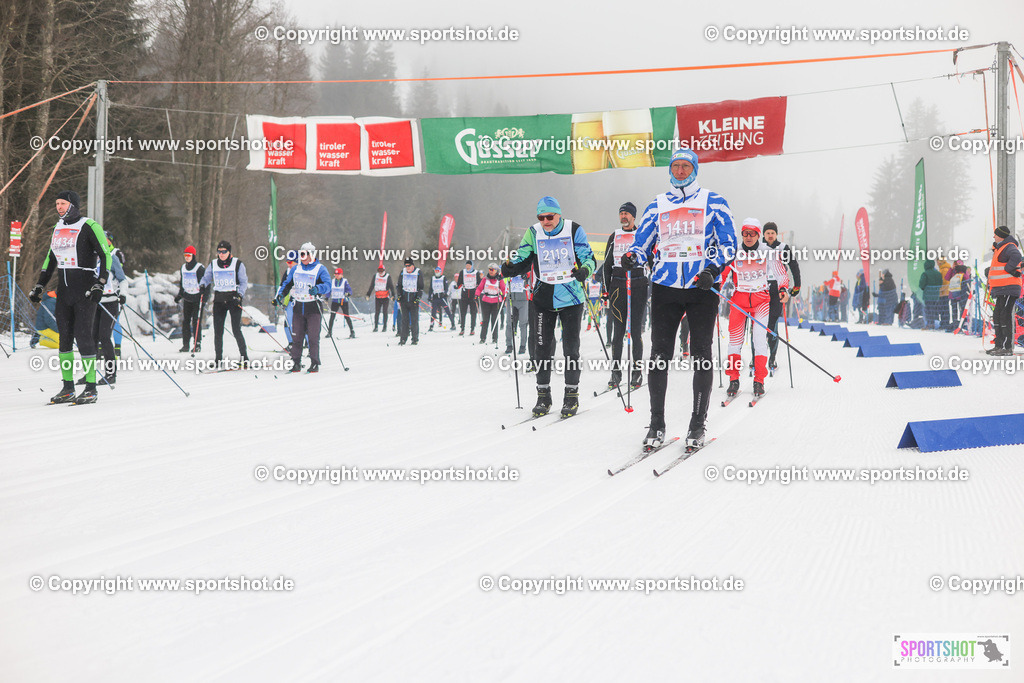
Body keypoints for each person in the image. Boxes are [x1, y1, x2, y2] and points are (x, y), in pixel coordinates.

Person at [620, 148, 736, 450]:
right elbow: (641, 243)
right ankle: (656, 423)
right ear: (670, 170)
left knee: (701, 353)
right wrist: (633, 257)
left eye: (686, 166)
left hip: (701, 287)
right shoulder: (657, 205)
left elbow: (729, 243)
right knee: (660, 355)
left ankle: (697, 423)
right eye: (676, 166)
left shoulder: (714, 201)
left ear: (695, 170)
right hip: (665, 286)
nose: (681, 171)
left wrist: (712, 269)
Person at [501, 196, 596, 418]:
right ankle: (543, 396)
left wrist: (585, 270)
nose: (545, 221)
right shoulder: (533, 232)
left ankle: (571, 396)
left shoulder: (574, 229)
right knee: (541, 348)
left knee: (571, 349)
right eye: (541, 217)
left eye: (549, 216)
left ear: (558, 214)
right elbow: (523, 257)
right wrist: (510, 268)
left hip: (571, 298)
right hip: (543, 299)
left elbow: (589, 258)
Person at [28, 190, 113, 404]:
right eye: (57, 203)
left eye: (63, 204)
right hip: (64, 292)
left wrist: (100, 283)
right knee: (64, 339)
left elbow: (105, 255)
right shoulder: (57, 228)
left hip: (84, 290)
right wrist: (40, 285)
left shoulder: (89, 226)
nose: (59, 207)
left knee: (83, 337)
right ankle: (68, 388)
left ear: (73, 205)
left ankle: (91, 388)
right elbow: (51, 259)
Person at [722, 219, 788, 399]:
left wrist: (783, 289)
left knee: (759, 340)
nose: (748, 237)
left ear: (758, 235)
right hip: (739, 301)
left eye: (752, 233)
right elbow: (723, 273)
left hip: (761, 302)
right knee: (735, 341)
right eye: (745, 233)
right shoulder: (734, 252)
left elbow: (781, 274)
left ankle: (759, 380)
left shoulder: (768, 252)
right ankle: (733, 379)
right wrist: (714, 285)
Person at [602, 200, 648, 390]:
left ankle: (637, 371)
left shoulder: (641, 235)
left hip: (638, 285)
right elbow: (606, 265)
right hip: (618, 286)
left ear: (633, 216)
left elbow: (651, 258)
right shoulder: (614, 236)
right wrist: (605, 290)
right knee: (618, 332)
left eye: (626, 214)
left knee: (635, 331)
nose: (623, 216)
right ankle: (616, 372)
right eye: (621, 213)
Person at [273, 242, 331, 372]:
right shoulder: (296, 269)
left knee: (313, 337)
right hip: (298, 306)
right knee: (297, 337)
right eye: (301, 254)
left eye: (304, 254)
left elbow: (328, 285)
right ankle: (296, 363)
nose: (302, 257)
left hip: (313, 307)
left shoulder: (320, 269)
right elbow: (287, 284)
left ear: (312, 255)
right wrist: (281, 295)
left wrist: (318, 289)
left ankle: (314, 363)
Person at [198, 240, 249, 366]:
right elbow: (206, 278)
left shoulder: (238, 264)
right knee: (218, 331)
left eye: (224, 251)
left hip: (233, 299)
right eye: (219, 252)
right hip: (219, 300)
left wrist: (239, 295)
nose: (221, 254)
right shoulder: (213, 264)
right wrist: (202, 285)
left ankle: (244, 358)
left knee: (236, 329)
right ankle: (218, 359)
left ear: (229, 252)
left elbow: (243, 282)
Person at [761, 222, 801, 368]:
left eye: (772, 233)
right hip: (760, 288)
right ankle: (756, 358)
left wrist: (797, 285)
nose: (770, 235)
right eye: (767, 233)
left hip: (778, 289)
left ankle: (772, 357)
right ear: (763, 234)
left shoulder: (783, 248)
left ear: (776, 234)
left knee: (772, 323)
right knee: (757, 325)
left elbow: (794, 266)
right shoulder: (758, 247)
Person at [87, 242, 127, 386]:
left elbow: (123, 279)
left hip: (110, 302)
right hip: (96, 303)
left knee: (104, 337)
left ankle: (110, 374)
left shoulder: (112, 258)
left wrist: (123, 294)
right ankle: (89, 375)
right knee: (91, 338)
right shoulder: (90, 259)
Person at [987, 225, 1022, 355]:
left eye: (995, 234)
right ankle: (999, 345)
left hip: (1009, 287)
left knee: (1004, 316)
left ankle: (1007, 347)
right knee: (997, 315)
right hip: (1002, 288)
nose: (994, 236)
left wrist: (1009, 268)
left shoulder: (1009, 246)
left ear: (1001, 236)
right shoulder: (1001, 247)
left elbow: (1017, 256)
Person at [174, 245, 206, 352]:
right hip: (187, 297)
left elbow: (206, 284)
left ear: (193, 256)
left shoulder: (199, 268)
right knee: (185, 322)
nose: (187, 257)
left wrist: (204, 298)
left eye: (189, 255)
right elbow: (182, 283)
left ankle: (197, 344)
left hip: (197, 298)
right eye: (185, 255)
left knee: (196, 321)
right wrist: (179, 295)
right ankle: (185, 345)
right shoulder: (183, 268)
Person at [395, 258, 424, 345]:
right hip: (404, 299)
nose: (407, 267)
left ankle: (415, 339)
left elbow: (421, 287)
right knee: (404, 320)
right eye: (406, 265)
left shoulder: (418, 272)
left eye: (409, 265)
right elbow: (399, 285)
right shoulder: (403, 272)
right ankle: (403, 339)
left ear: (412, 265)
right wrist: (399, 295)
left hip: (413, 299)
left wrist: (418, 298)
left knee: (414, 320)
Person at [476, 263, 507, 344]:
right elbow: (479, 288)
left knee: (494, 321)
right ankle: (483, 338)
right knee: (485, 321)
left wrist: (505, 297)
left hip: (496, 302)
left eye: (492, 269)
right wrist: (476, 295)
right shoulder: (485, 279)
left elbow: (503, 289)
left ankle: (494, 338)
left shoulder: (499, 280)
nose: (490, 271)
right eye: (489, 269)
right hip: (486, 301)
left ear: (496, 271)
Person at [505, 271, 531, 355]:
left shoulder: (525, 268)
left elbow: (531, 274)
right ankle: (509, 345)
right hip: (511, 299)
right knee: (509, 323)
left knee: (523, 323)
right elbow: (504, 274)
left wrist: (526, 275)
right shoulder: (511, 269)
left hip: (523, 300)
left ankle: (522, 346)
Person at [327, 267, 355, 338]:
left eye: (338, 274)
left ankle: (352, 331)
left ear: (341, 275)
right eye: (335, 274)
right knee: (332, 317)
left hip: (343, 301)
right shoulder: (332, 281)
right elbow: (329, 290)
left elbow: (349, 290)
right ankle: (329, 332)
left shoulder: (345, 281)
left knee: (346, 316)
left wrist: (348, 293)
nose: (337, 275)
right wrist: (327, 297)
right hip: (335, 301)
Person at [366, 265, 395, 332]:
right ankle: (376, 327)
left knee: (385, 312)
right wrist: (368, 294)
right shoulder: (375, 276)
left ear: (384, 270)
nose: (380, 272)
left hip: (385, 297)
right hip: (378, 297)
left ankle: (384, 327)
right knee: (377, 312)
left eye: (382, 270)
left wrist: (393, 295)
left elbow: (391, 286)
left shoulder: (388, 276)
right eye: (379, 271)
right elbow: (372, 285)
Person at [455, 260, 480, 335]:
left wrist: (478, 291)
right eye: (466, 265)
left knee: (473, 312)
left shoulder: (476, 272)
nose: (467, 267)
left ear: (472, 266)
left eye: (469, 265)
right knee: (463, 312)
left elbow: (479, 283)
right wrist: (457, 286)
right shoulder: (462, 272)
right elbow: (459, 282)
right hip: (465, 294)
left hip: (473, 294)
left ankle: (472, 329)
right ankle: (462, 328)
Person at [918, 259, 943, 330]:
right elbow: (940, 284)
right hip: (936, 295)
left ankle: (929, 324)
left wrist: (924, 288)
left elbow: (921, 284)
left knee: (928, 310)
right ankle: (935, 324)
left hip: (928, 295)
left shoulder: (925, 274)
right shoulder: (938, 273)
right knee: (934, 310)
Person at [945, 259, 971, 328]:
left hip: (961, 294)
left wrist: (962, 271)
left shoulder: (963, 272)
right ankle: (955, 323)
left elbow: (967, 278)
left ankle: (962, 323)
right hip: (953, 294)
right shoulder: (953, 271)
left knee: (962, 309)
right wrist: (951, 269)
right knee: (954, 310)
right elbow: (947, 278)